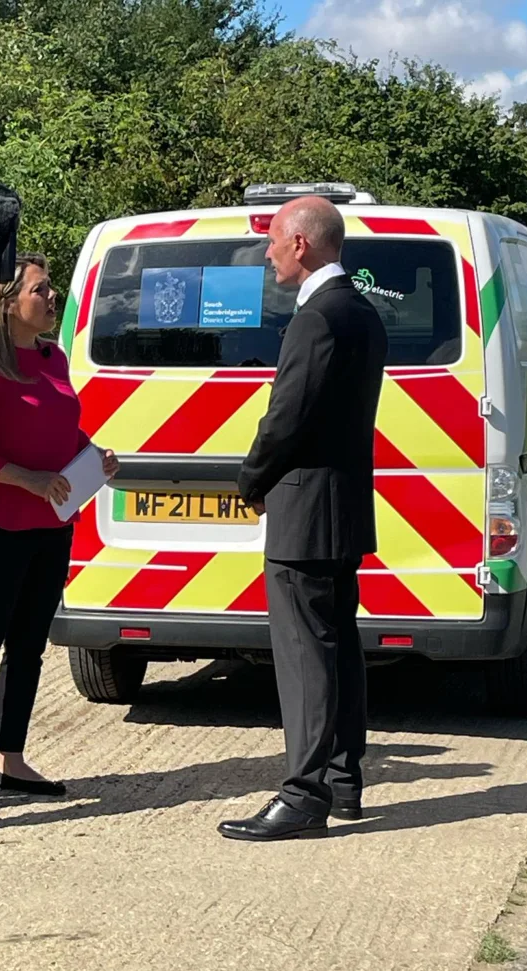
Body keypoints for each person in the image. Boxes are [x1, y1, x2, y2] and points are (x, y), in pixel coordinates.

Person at [218, 196, 388, 842]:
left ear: (300, 244)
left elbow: (287, 415)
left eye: (271, 241)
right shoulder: (360, 312)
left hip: (304, 511)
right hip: (338, 509)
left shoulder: (318, 316)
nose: (264, 253)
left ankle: (303, 793)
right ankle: (342, 781)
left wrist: (250, 478)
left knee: (304, 657)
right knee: (337, 648)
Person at [0, 254, 119, 811]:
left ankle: (11, 760)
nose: (52, 298)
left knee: (30, 646)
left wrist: (90, 455)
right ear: (9, 300)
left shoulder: (53, 358)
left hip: (52, 520)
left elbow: (59, 424)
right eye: (42, 290)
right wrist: (29, 480)